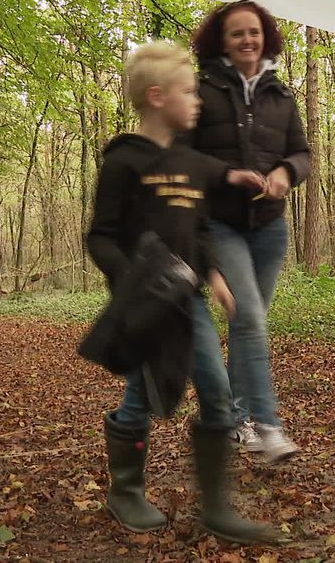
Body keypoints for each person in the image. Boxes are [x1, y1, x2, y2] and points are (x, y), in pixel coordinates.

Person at [86, 42, 281, 544]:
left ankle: (217, 507)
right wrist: (129, 283)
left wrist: (213, 275)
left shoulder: (190, 161)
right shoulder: (123, 162)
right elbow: (101, 236)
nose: (197, 101)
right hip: (143, 304)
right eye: (189, 91)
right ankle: (126, 490)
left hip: (187, 300)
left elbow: (195, 231)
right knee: (142, 394)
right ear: (156, 97)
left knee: (214, 391)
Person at [187, 0, 311, 462]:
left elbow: (302, 153)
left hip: (269, 228)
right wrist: (227, 175)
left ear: (266, 38)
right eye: (237, 33)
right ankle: (269, 426)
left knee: (246, 325)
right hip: (221, 225)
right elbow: (183, 158)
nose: (246, 41)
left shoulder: (280, 94)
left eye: (253, 33)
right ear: (222, 40)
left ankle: (236, 421)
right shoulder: (201, 91)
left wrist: (285, 173)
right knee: (252, 320)